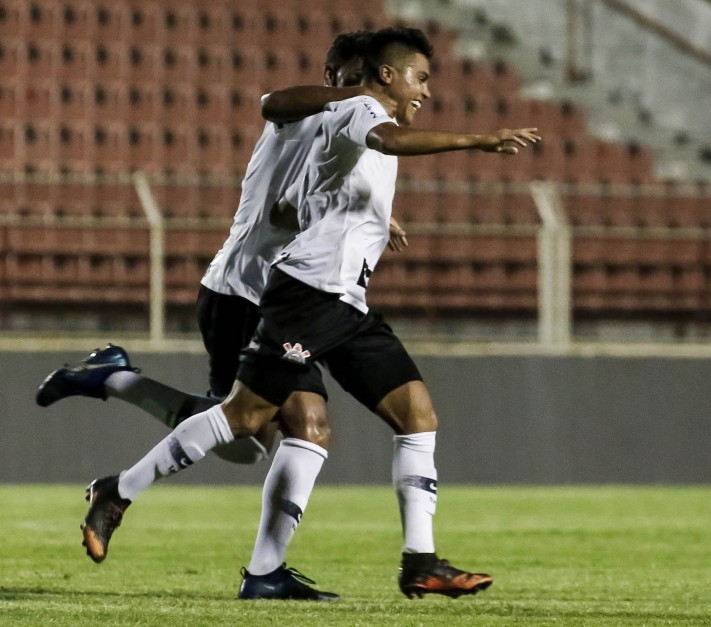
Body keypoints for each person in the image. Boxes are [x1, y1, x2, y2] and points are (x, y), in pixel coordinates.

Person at [77, 26, 541, 601]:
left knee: (410, 413)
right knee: (245, 423)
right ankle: (117, 490)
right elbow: (366, 139)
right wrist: (479, 141)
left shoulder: (345, 121)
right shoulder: (359, 108)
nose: (425, 90)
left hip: (346, 303)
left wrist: (371, 217)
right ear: (389, 75)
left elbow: (296, 197)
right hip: (302, 295)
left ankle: (415, 561)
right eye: (420, 77)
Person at [34, 32, 406, 466]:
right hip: (246, 287)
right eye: (355, 80)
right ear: (331, 76)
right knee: (303, 424)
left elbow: (324, 192)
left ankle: (112, 378)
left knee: (248, 445)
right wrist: (357, 95)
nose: (366, 94)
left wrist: (373, 214)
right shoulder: (304, 114)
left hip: (290, 294)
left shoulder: (355, 131)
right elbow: (272, 104)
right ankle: (122, 476)